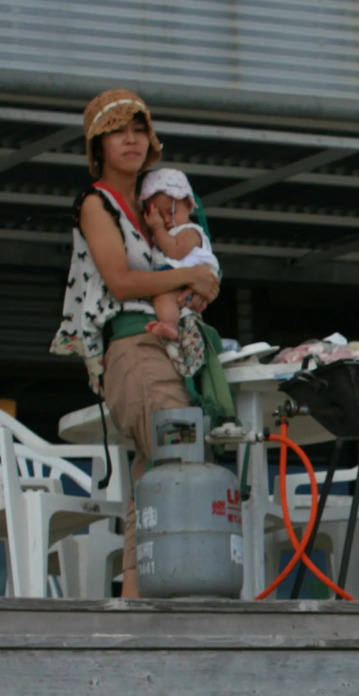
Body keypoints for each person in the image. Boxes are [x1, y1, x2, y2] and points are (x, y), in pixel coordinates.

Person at [50, 89, 220, 597]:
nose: (131, 140)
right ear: (97, 145)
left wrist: (200, 282)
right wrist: (186, 276)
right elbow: (121, 282)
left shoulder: (159, 200)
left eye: (139, 129)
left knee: (156, 472)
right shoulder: (96, 202)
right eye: (117, 131)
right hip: (130, 344)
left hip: (171, 345)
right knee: (177, 452)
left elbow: (192, 266)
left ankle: (136, 600)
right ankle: (169, 596)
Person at [138, 168, 221, 349]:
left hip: (187, 284)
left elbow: (175, 251)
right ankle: (171, 325)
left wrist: (157, 229)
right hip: (177, 281)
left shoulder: (189, 231)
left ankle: (170, 325)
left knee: (163, 297)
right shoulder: (165, 233)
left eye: (171, 212)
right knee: (162, 299)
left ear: (189, 206)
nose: (167, 220)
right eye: (159, 215)